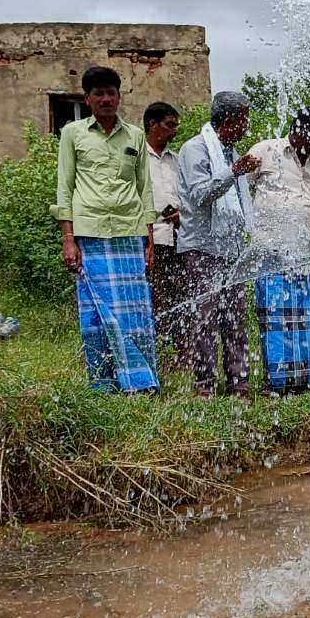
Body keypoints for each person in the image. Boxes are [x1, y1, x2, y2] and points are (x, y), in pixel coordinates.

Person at [50, 66, 159, 393]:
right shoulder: (73, 133)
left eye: (111, 92)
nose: (106, 99)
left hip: (129, 234)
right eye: (99, 94)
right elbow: (64, 187)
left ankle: (141, 383)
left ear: (119, 96)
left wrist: (149, 239)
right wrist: (69, 239)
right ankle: (104, 384)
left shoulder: (135, 136)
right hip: (90, 235)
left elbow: (145, 189)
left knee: (134, 311)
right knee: (96, 315)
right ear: (88, 99)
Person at [175, 91, 261, 398]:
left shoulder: (231, 152)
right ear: (228, 120)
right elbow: (200, 194)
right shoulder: (194, 150)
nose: (246, 125)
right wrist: (233, 172)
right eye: (243, 119)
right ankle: (204, 386)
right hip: (202, 247)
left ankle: (239, 384)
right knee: (205, 319)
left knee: (235, 318)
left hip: (231, 250)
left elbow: (238, 201)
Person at [245, 107, 310, 395]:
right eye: (308, 133)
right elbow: (241, 192)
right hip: (270, 249)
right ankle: (277, 382)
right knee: (275, 316)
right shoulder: (266, 151)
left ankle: (303, 380)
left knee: (304, 316)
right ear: (295, 130)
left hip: (305, 253)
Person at [143, 101, 185, 372]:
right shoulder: (137, 157)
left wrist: (181, 213)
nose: (174, 131)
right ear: (152, 125)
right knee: (152, 298)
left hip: (177, 238)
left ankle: (177, 357)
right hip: (150, 239)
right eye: (170, 125)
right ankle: (153, 354)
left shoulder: (177, 160)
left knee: (178, 298)